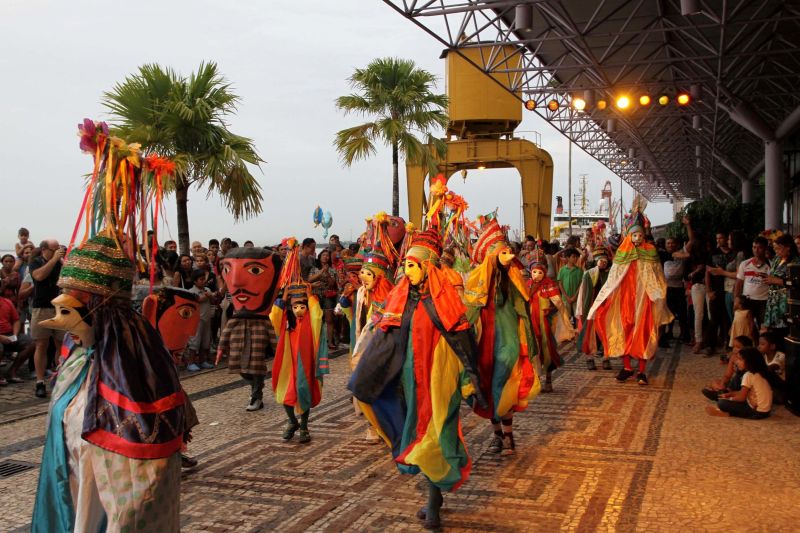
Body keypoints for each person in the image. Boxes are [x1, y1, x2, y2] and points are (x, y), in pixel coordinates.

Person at [348, 228, 485, 530]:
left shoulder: (444, 301)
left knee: (436, 436)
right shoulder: (403, 300)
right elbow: (387, 338)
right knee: (418, 435)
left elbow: (462, 343)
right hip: (410, 379)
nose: (406, 270)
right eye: (406, 265)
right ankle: (433, 498)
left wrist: (468, 381)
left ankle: (434, 505)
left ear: (426, 267)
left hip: (439, 380)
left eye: (411, 265)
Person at [464, 217, 539, 455]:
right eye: (502, 252)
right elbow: (471, 308)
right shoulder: (479, 278)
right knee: (485, 388)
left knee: (506, 383)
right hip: (484, 343)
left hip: (508, 340)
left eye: (507, 251)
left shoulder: (514, 278)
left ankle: (508, 436)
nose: (508, 256)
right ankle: (498, 435)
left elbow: (523, 307)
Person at [587, 202, 673, 385]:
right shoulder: (622, 253)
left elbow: (658, 275)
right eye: (634, 234)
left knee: (643, 333)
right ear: (629, 235)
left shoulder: (650, 252)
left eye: (640, 234)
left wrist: (658, 295)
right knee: (623, 330)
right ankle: (627, 367)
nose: (637, 237)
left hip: (644, 299)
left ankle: (642, 371)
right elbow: (613, 278)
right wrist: (606, 297)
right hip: (624, 299)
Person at [216, 247, 283, 411]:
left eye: (254, 270)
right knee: (242, 369)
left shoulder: (263, 321)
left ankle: (256, 395)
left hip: (257, 343)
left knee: (256, 368)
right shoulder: (235, 319)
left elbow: (272, 336)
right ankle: (256, 387)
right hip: (238, 345)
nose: (238, 282)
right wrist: (220, 349)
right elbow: (225, 332)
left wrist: (279, 353)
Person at [270, 283, 328, 443]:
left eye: (302, 306)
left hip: (305, 363)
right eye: (295, 306)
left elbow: (317, 315)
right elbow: (274, 315)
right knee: (285, 393)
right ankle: (292, 421)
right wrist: (284, 296)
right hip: (287, 364)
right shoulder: (286, 322)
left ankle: (304, 426)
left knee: (304, 392)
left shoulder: (311, 321)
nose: (298, 310)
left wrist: (310, 296)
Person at [528, 245, 576, 392]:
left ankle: (548, 381)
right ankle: (534, 382)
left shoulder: (549, 284)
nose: (536, 275)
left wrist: (550, 310)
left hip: (545, 324)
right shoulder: (527, 284)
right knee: (531, 351)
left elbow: (558, 303)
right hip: (530, 324)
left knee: (547, 350)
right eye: (534, 272)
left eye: (539, 272)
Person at [30, 239, 65, 397]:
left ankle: (60, 378)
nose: (57, 251)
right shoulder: (36, 262)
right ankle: (39, 381)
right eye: (54, 249)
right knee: (41, 345)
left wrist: (63, 262)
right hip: (42, 308)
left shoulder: (59, 262)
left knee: (61, 344)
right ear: (44, 249)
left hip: (58, 307)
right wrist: (54, 260)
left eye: (59, 248)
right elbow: (39, 276)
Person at [705, 347, 774, 419]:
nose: (737, 362)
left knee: (722, 403)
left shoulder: (748, 375)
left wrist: (729, 399)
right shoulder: (759, 373)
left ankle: (726, 413)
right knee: (725, 399)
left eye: (740, 359)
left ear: (749, 361)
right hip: (766, 412)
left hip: (756, 412)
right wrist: (729, 394)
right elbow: (742, 393)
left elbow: (741, 397)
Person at [576, 246, 612, 370]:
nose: (603, 263)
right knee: (589, 334)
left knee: (605, 334)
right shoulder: (589, 274)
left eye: (605, 261)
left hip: (606, 308)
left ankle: (606, 359)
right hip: (592, 308)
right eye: (601, 260)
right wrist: (584, 311)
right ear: (596, 261)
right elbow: (584, 294)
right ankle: (589, 358)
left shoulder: (611, 274)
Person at [762, 234, 799, 342]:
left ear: (788, 247)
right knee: (772, 333)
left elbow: (796, 282)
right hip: (773, 299)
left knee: (783, 331)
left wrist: (776, 281)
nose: (776, 251)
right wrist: (768, 279)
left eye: (779, 248)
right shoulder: (777, 259)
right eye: (775, 248)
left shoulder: (796, 262)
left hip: (785, 300)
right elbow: (773, 275)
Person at [734, 236, 770, 327]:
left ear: (765, 248)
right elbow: (739, 283)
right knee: (747, 327)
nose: (756, 250)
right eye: (754, 247)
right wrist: (736, 299)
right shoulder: (745, 264)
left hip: (764, 302)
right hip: (747, 301)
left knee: (763, 328)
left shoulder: (771, 265)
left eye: (760, 247)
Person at [0, 294, 35, 385]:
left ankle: (12, 371)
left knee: (31, 342)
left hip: (9, 334)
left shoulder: (7, 302)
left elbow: (16, 320)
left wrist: (15, 335)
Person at [308, 249, 338, 350]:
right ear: (319, 257)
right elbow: (309, 280)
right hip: (316, 295)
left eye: (327, 255)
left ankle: (330, 342)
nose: (326, 257)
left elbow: (332, 284)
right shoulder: (314, 268)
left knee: (329, 320)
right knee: (317, 319)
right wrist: (321, 272)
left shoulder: (332, 269)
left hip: (328, 296)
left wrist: (327, 273)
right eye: (324, 255)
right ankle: (316, 341)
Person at [185, 270, 214, 371]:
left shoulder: (207, 289)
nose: (203, 281)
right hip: (196, 320)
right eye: (200, 280)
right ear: (195, 281)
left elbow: (214, 300)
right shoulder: (191, 292)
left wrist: (211, 296)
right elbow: (196, 300)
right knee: (195, 341)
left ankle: (203, 360)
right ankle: (190, 362)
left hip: (207, 318)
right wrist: (207, 296)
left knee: (205, 341)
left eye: (204, 279)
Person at [557, 248, 582, 322]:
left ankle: (577, 331)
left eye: (577, 257)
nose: (575, 259)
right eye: (573, 257)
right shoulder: (562, 270)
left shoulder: (579, 271)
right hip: (565, 298)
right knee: (566, 317)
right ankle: (567, 332)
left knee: (577, 317)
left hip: (576, 298)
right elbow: (560, 284)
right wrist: (566, 297)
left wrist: (574, 296)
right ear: (568, 258)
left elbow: (581, 284)